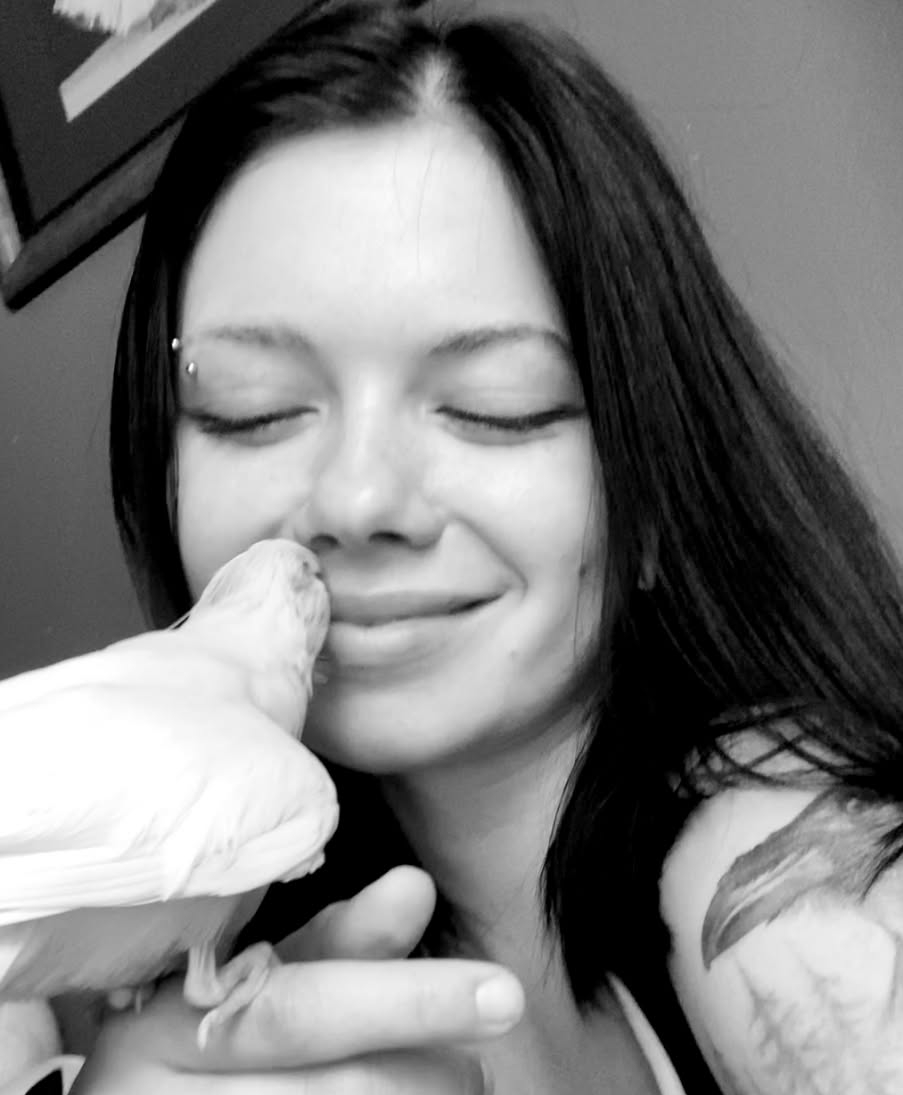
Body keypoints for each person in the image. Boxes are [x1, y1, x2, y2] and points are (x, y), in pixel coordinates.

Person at [53, 0, 903, 1091]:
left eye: (495, 406)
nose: (357, 498)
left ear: (654, 481)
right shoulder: (232, 956)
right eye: (250, 409)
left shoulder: (772, 868)